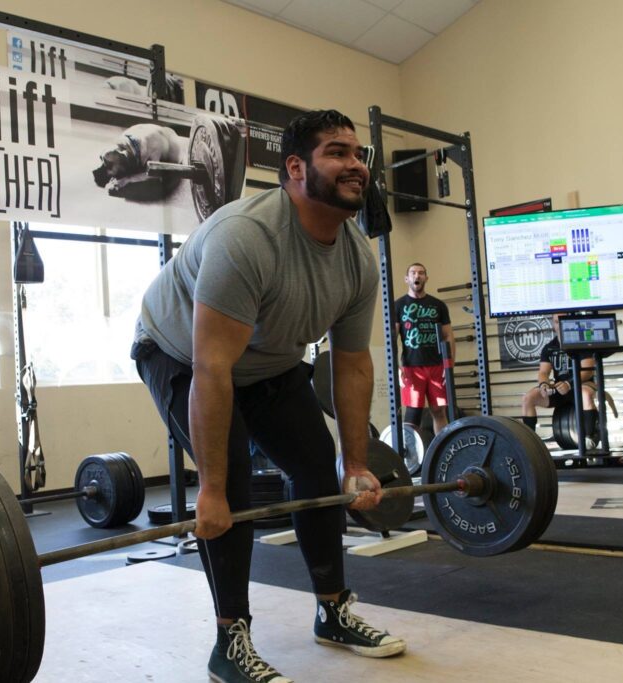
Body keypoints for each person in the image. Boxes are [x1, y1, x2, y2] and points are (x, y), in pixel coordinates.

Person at [132, 109, 405, 683]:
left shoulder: (358, 259)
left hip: (272, 363)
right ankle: (229, 642)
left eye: (359, 154)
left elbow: (352, 366)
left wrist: (353, 463)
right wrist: (208, 492)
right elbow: (211, 368)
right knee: (228, 486)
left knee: (317, 470)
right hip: (182, 355)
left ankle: (332, 611)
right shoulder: (247, 237)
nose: (356, 164)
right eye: (338, 152)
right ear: (296, 168)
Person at [520, 313, 600, 448]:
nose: (560, 325)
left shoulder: (582, 342)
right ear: (553, 324)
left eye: (564, 321)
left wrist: (570, 384)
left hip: (581, 385)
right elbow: (543, 372)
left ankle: (589, 437)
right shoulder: (549, 347)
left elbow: (587, 371)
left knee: (585, 393)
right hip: (560, 389)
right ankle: (529, 443)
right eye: (557, 322)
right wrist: (544, 384)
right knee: (528, 398)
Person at [394, 263, 454, 434]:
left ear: (426, 278)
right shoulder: (398, 305)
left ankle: (442, 452)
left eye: (421, 273)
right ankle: (410, 458)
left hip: (436, 366)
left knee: (438, 411)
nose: (417, 276)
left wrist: (449, 365)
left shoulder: (438, 305)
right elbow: (392, 337)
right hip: (412, 367)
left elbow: (448, 336)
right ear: (407, 279)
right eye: (413, 273)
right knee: (413, 413)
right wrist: (395, 366)